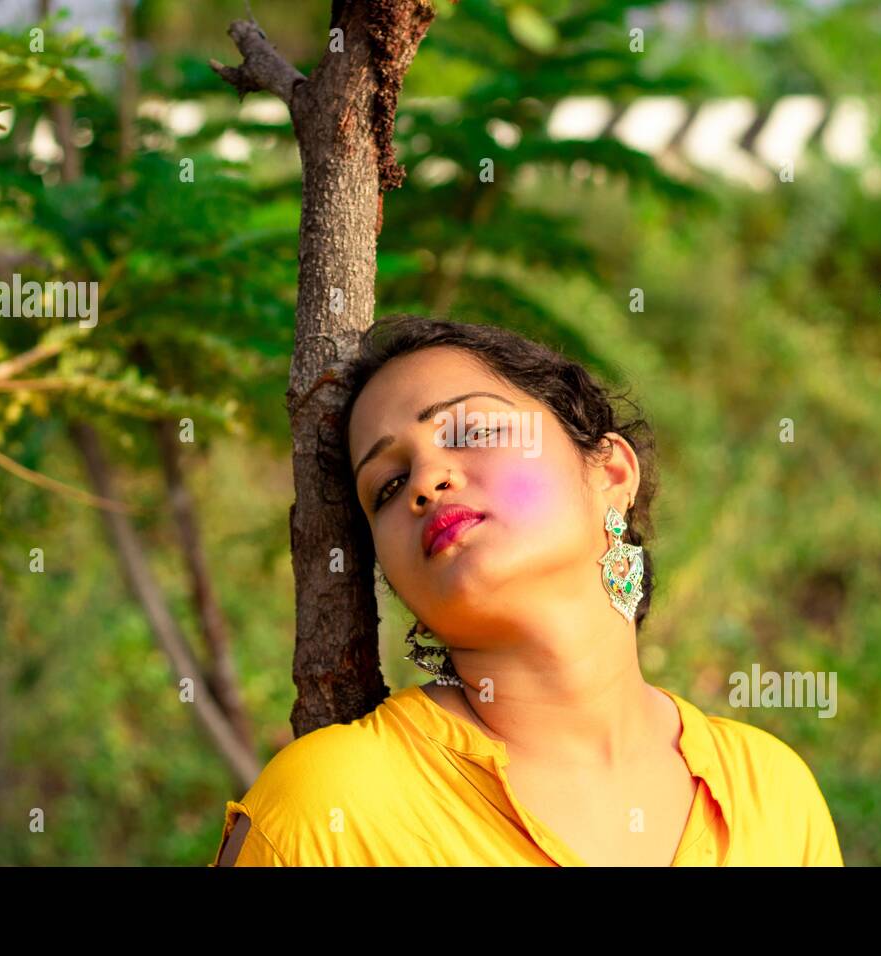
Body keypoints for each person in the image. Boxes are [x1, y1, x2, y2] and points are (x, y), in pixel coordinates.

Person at [212, 314, 843, 866]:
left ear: (611, 472)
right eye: (387, 485)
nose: (426, 482)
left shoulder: (772, 796)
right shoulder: (325, 813)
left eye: (472, 432)